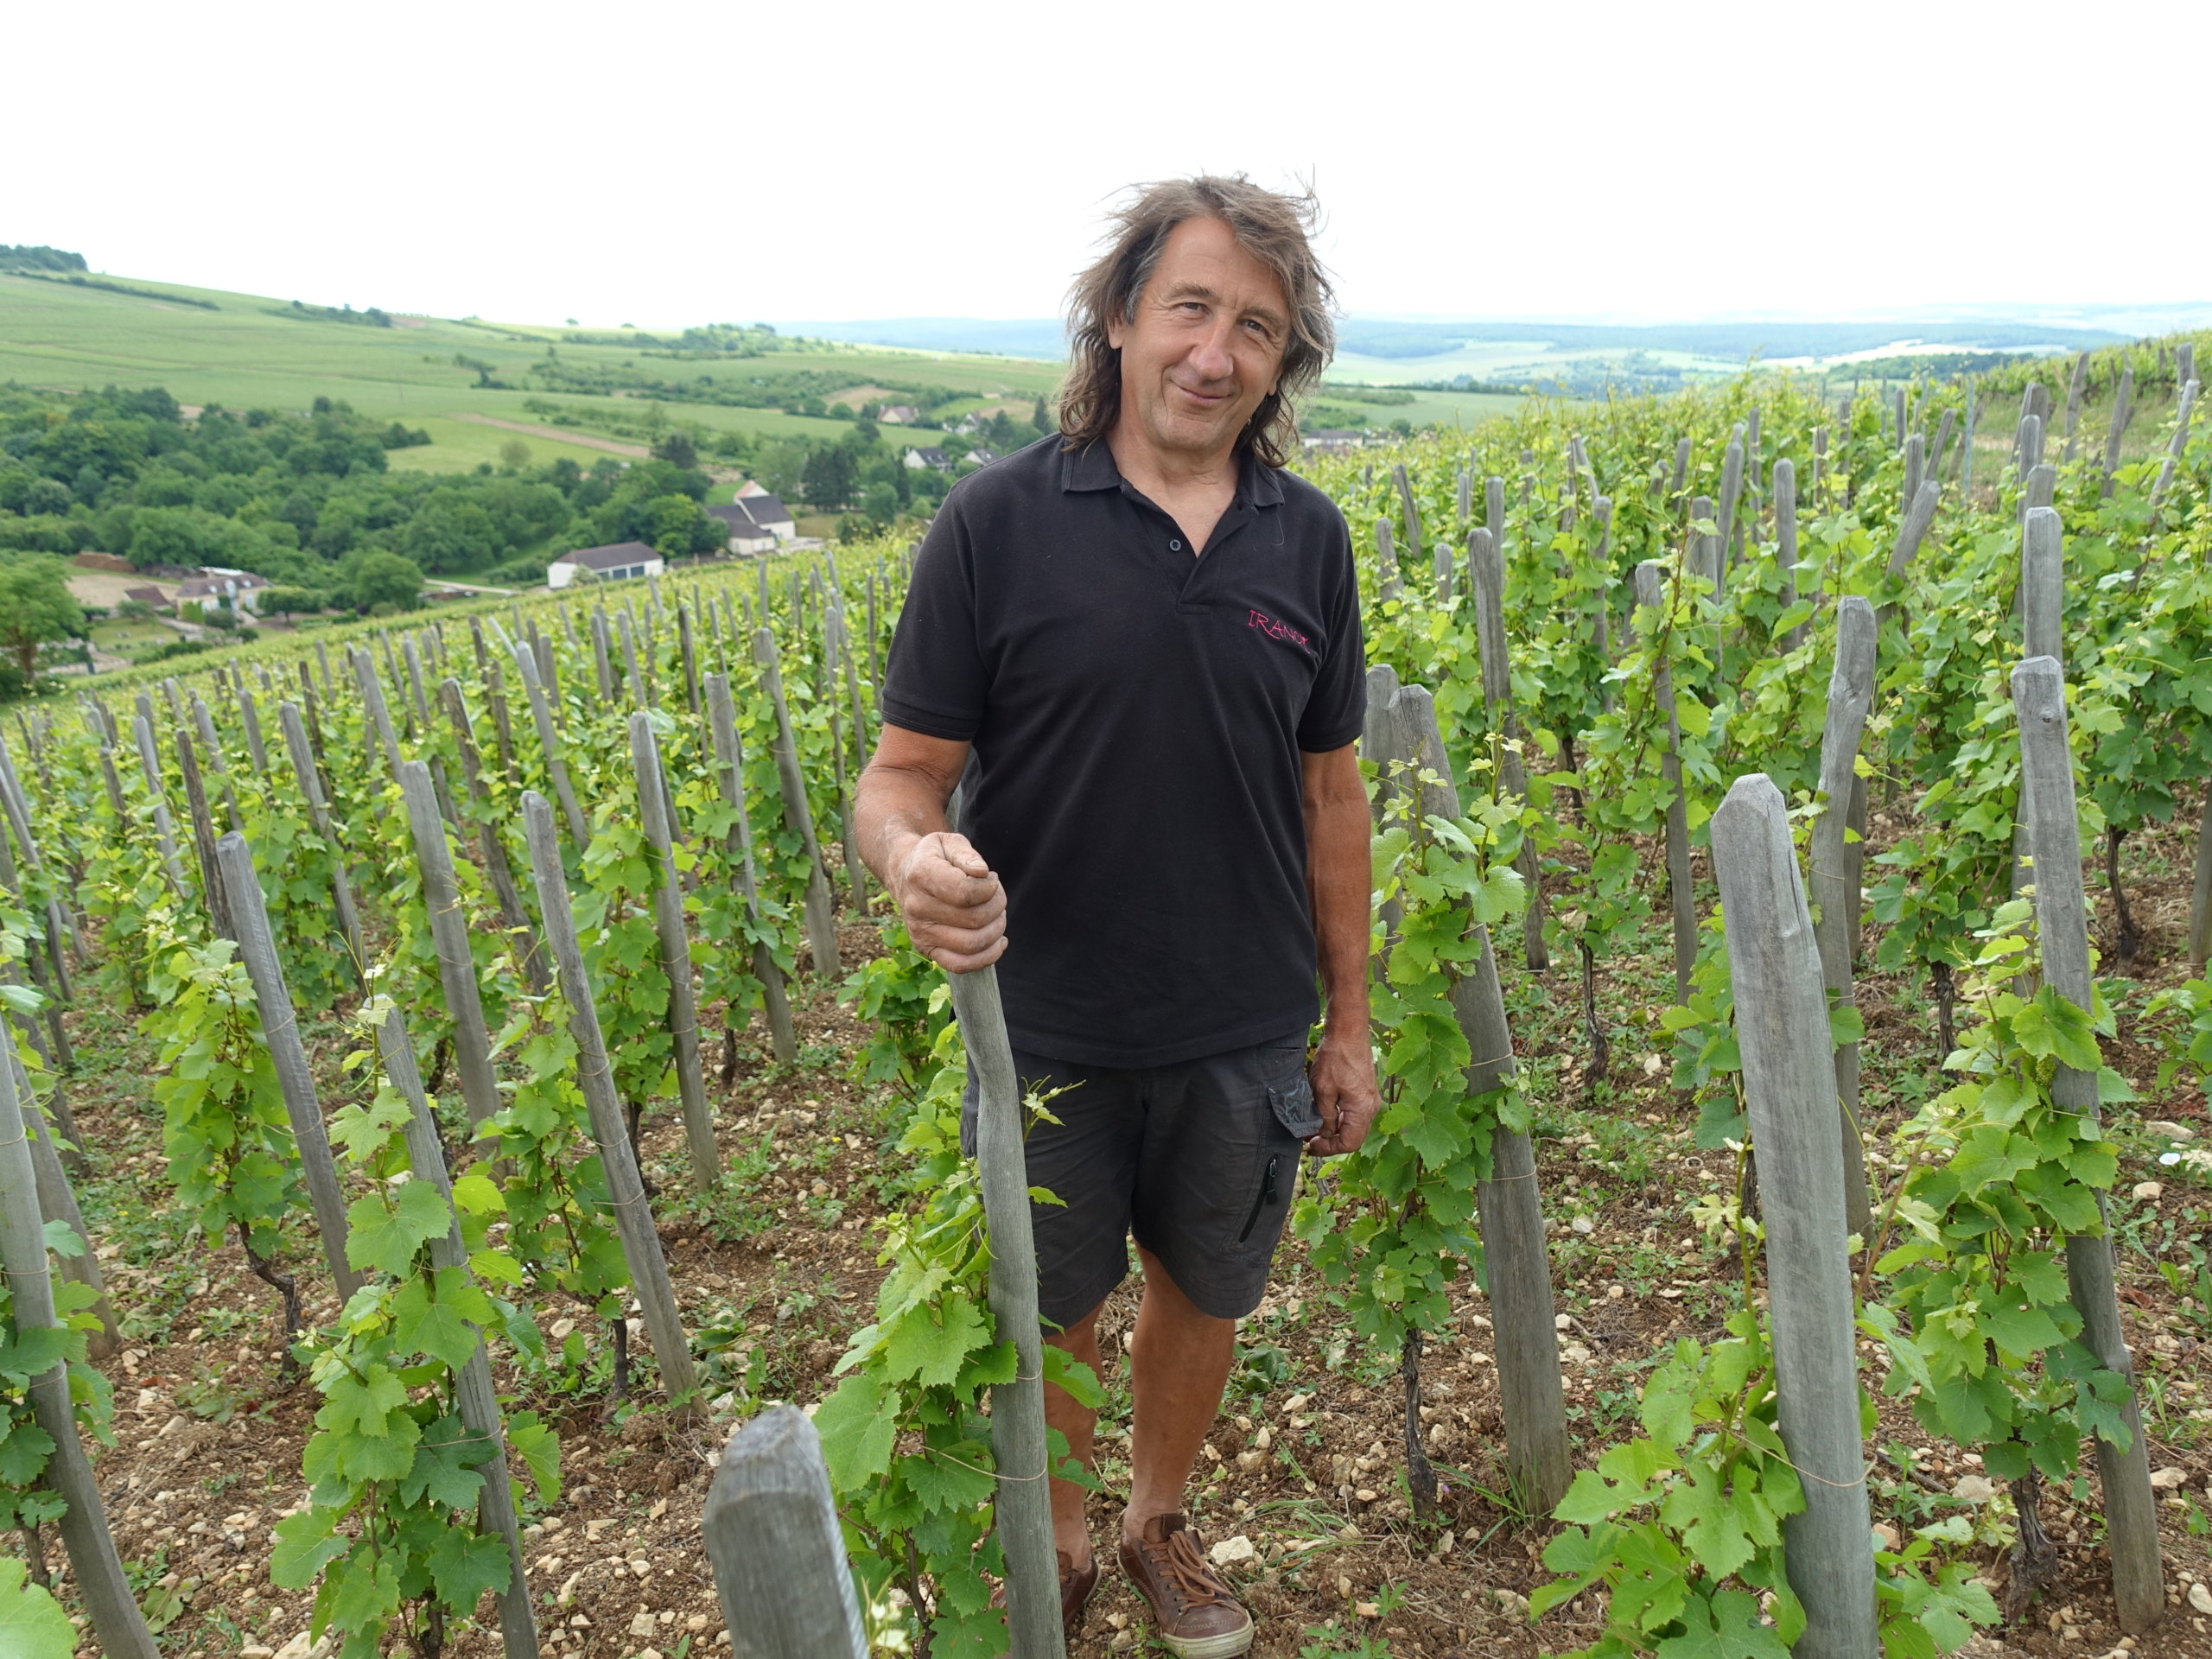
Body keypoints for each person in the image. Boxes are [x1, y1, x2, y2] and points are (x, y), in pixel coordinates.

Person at [855, 175, 1379, 1658]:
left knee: (1203, 1296)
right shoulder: (997, 523)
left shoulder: (1307, 540)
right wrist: (908, 862)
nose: (1217, 351)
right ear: (1120, 318)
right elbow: (900, 782)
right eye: (1192, 307)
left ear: (1284, 365)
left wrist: (1350, 1022)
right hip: (1055, 1025)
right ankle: (1068, 1538)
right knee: (1056, 1304)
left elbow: (1330, 799)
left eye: (1258, 328)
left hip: (1243, 1022)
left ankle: (1154, 1521)